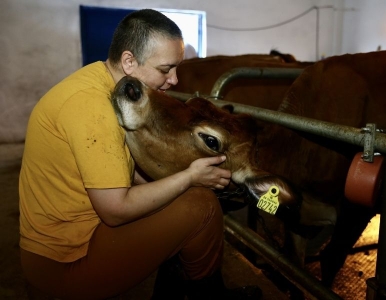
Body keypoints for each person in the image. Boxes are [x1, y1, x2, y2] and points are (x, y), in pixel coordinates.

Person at [19, 9, 262, 300]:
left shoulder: (97, 81)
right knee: (202, 204)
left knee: (179, 202)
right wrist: (189, 178)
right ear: (129, 61)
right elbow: (115, 210)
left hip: (68, 242)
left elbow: (124, 170)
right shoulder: (91, 108)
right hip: (64, 264)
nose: (173, 80)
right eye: (165, 69)